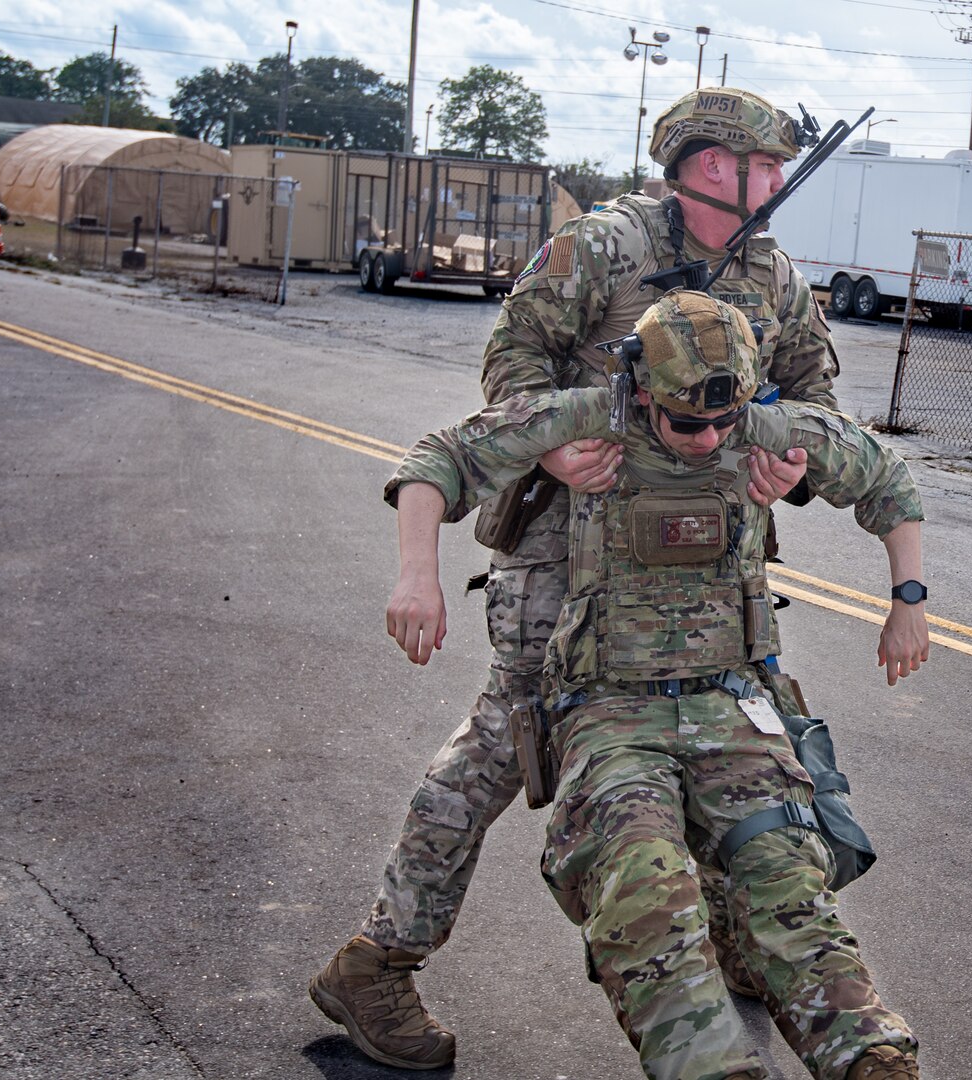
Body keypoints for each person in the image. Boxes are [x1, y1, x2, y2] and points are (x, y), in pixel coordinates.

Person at [311, 87, 845, 1070]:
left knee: (723, 740)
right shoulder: (600, 247)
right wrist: (553, 453)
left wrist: (794, 459)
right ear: (700, 163)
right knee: (508, 746)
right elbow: (512, 359)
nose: (770, 184)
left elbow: (813, 394)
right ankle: (378, 963)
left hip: (699, 565)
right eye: (753, 165)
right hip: (564, 554)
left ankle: (740, 949)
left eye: (777, 168)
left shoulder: (776, 276)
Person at [376, 290, 927, 1080]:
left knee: (785, 869)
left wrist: (908, 600)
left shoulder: (764, 428)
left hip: (729, 700)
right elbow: (434, 461)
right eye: (685, 424)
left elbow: (886, 478)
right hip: (609, 706)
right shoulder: (584, 417)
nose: (707, 441)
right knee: (643, 876)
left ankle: (873, 1059)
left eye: (722, 423)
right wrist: (417, 578)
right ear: (640, 390)